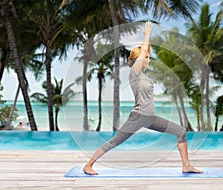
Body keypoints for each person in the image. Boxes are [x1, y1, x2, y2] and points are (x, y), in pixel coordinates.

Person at [83, 21, 202, 175]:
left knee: (180, 132)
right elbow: (144, 52)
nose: (149, 59)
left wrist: (149, 37)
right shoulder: (135, 73)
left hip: (150, 117)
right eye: (146, 58)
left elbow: (147, 51)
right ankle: (88, 165)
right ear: (139, 60)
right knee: (115, 142)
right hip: (138, 117)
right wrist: (145, 35)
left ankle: (186, 165)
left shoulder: (143, 74)